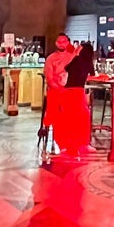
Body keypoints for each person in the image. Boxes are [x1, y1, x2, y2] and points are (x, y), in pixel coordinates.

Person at [42, 35, 88, 165]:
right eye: (59, 41)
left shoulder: (74, 56)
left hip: (72, 91)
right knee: (61, 113)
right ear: (56, 43)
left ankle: (81, 143)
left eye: (64, 41)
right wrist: (60, 89)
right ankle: (63, 144)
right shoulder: (51, 58)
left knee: (82, 111)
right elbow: (50, 79)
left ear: (68, 42)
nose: (62, 43)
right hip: (57, 91)